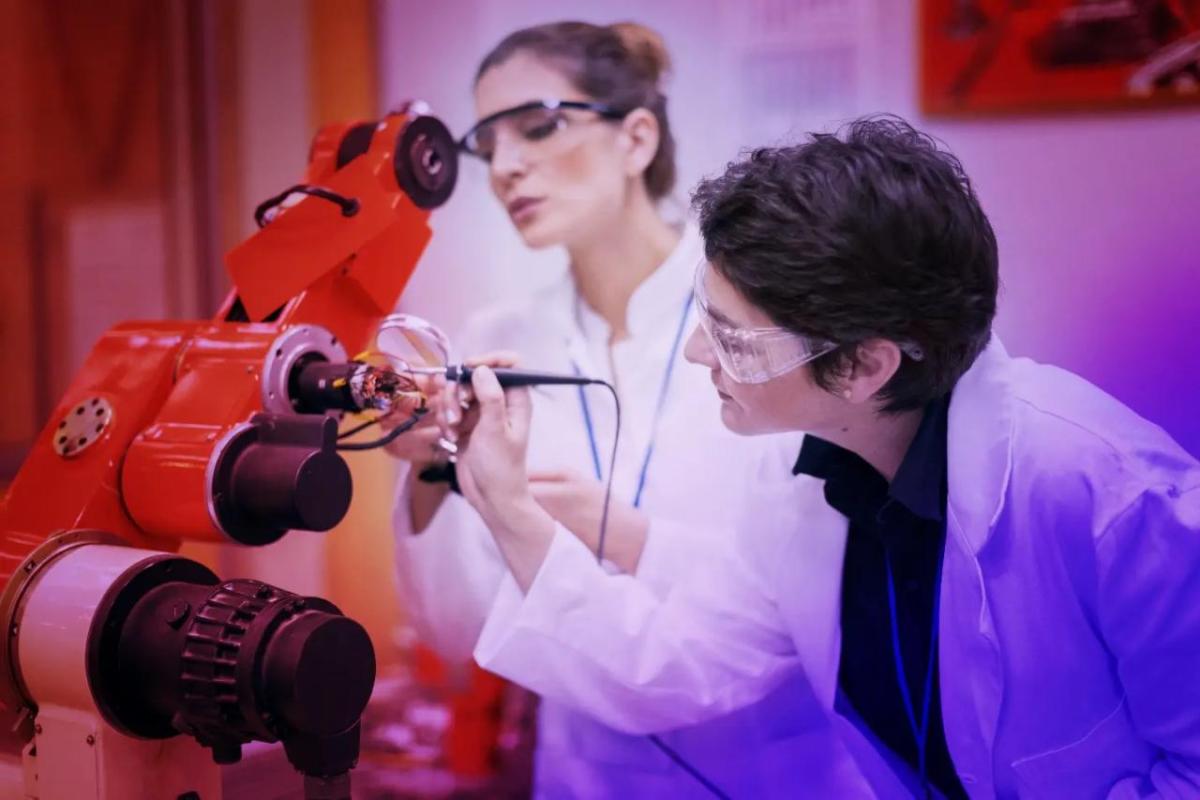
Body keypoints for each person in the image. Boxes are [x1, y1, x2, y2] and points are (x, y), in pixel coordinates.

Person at [451, 116, 1200, 798]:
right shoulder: (809, 472)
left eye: (735, 338)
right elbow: (690, 656)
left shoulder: (1106, 493)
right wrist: (519, 508)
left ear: (865, 366)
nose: (694, 352)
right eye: (703, 315)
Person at [387, 21, 867, 798]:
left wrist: (602, 528)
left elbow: (788, 607)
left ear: (637, 137)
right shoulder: (497, 343)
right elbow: (461, 632)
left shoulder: (765, 321)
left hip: (776, 767)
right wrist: (435, 469)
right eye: (486, 145)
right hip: (584, 777)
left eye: (539, 127)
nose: (506, 166)